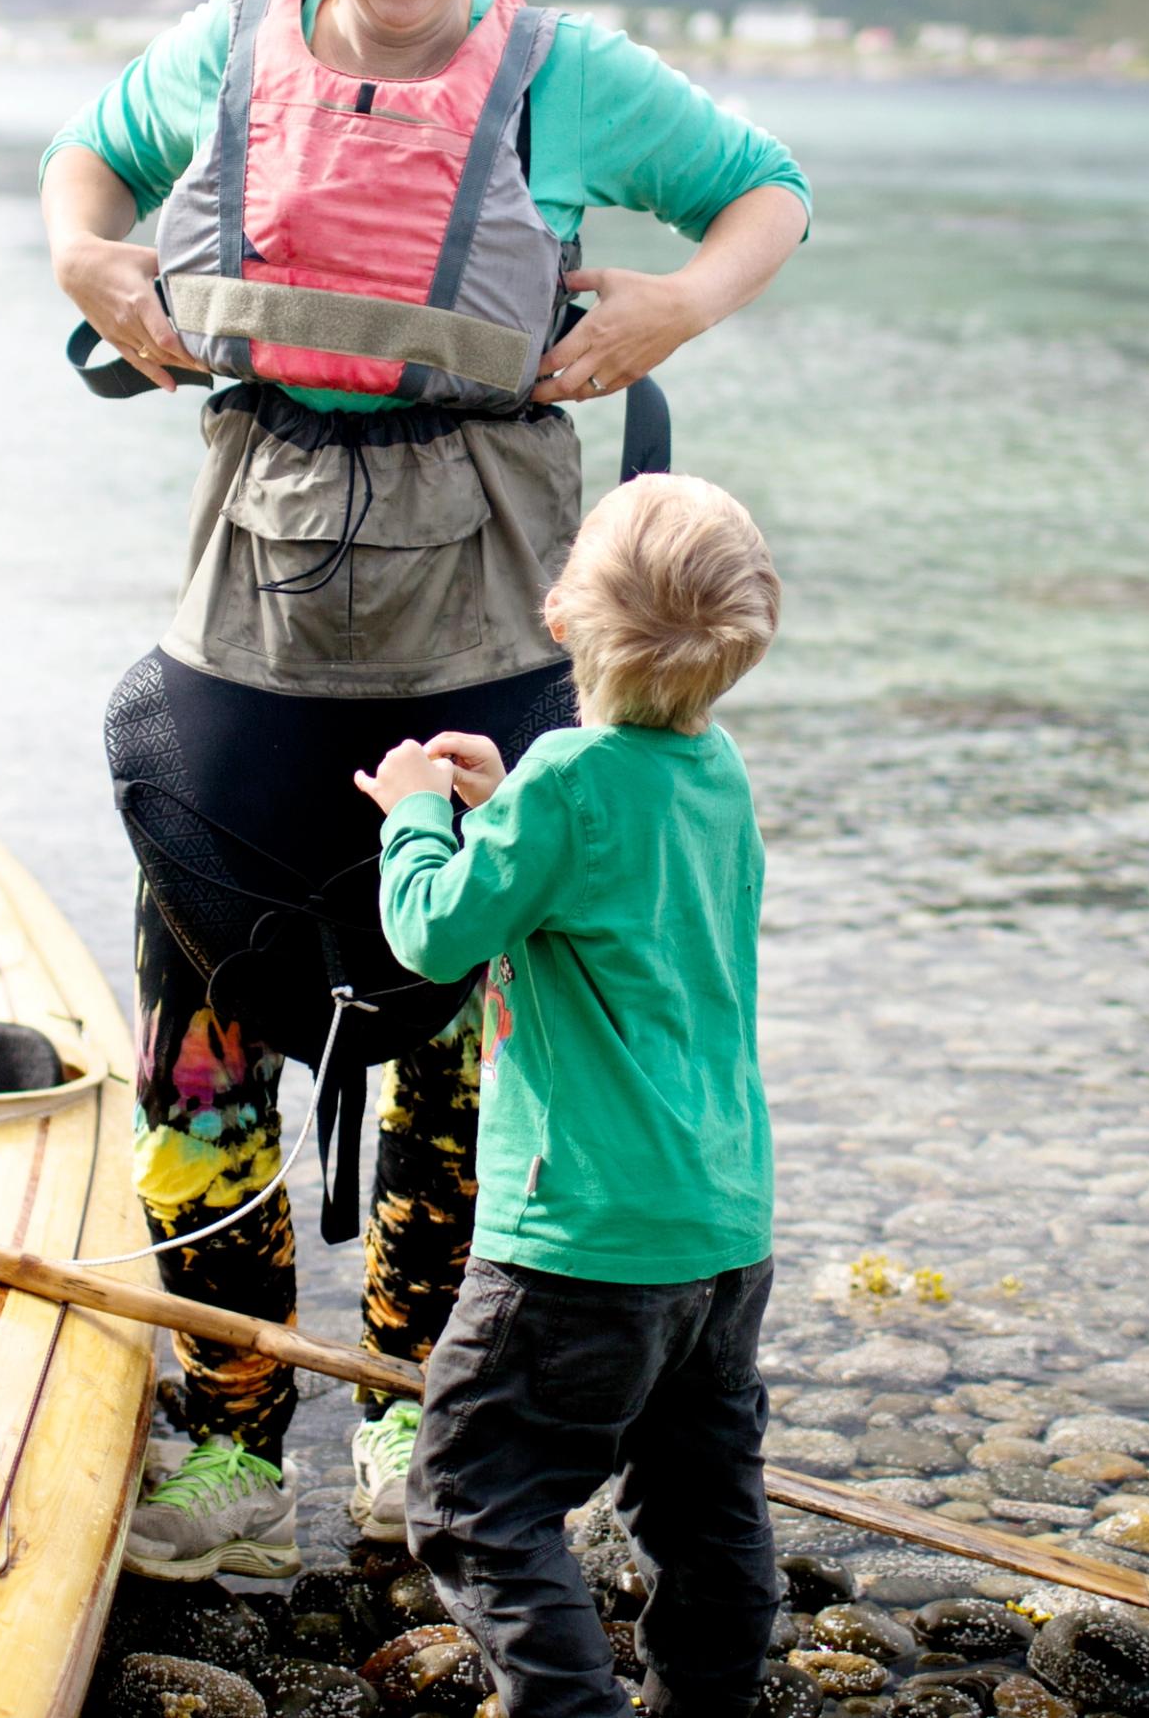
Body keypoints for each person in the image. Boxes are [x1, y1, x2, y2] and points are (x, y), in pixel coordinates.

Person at [42, 0, 810, 1573]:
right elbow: (85, 162)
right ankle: (224, 1435)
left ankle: (409, 1414)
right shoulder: (220, 52)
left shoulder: (565, 75)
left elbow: (765, 187)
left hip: (486, 608)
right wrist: (88, 259)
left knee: (465, 1041)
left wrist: (680, 303)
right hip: (251, 600)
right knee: (204, 1036)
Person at [360, 474, 784, 1718]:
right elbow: (614, 888)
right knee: (704, 1503)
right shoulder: (716, 775)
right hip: (719, 1228)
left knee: (472, 1504)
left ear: (560, 615)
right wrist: (505, 814)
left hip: (578, 1242)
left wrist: (420, 819)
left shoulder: (564, 780)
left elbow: (434, 934)